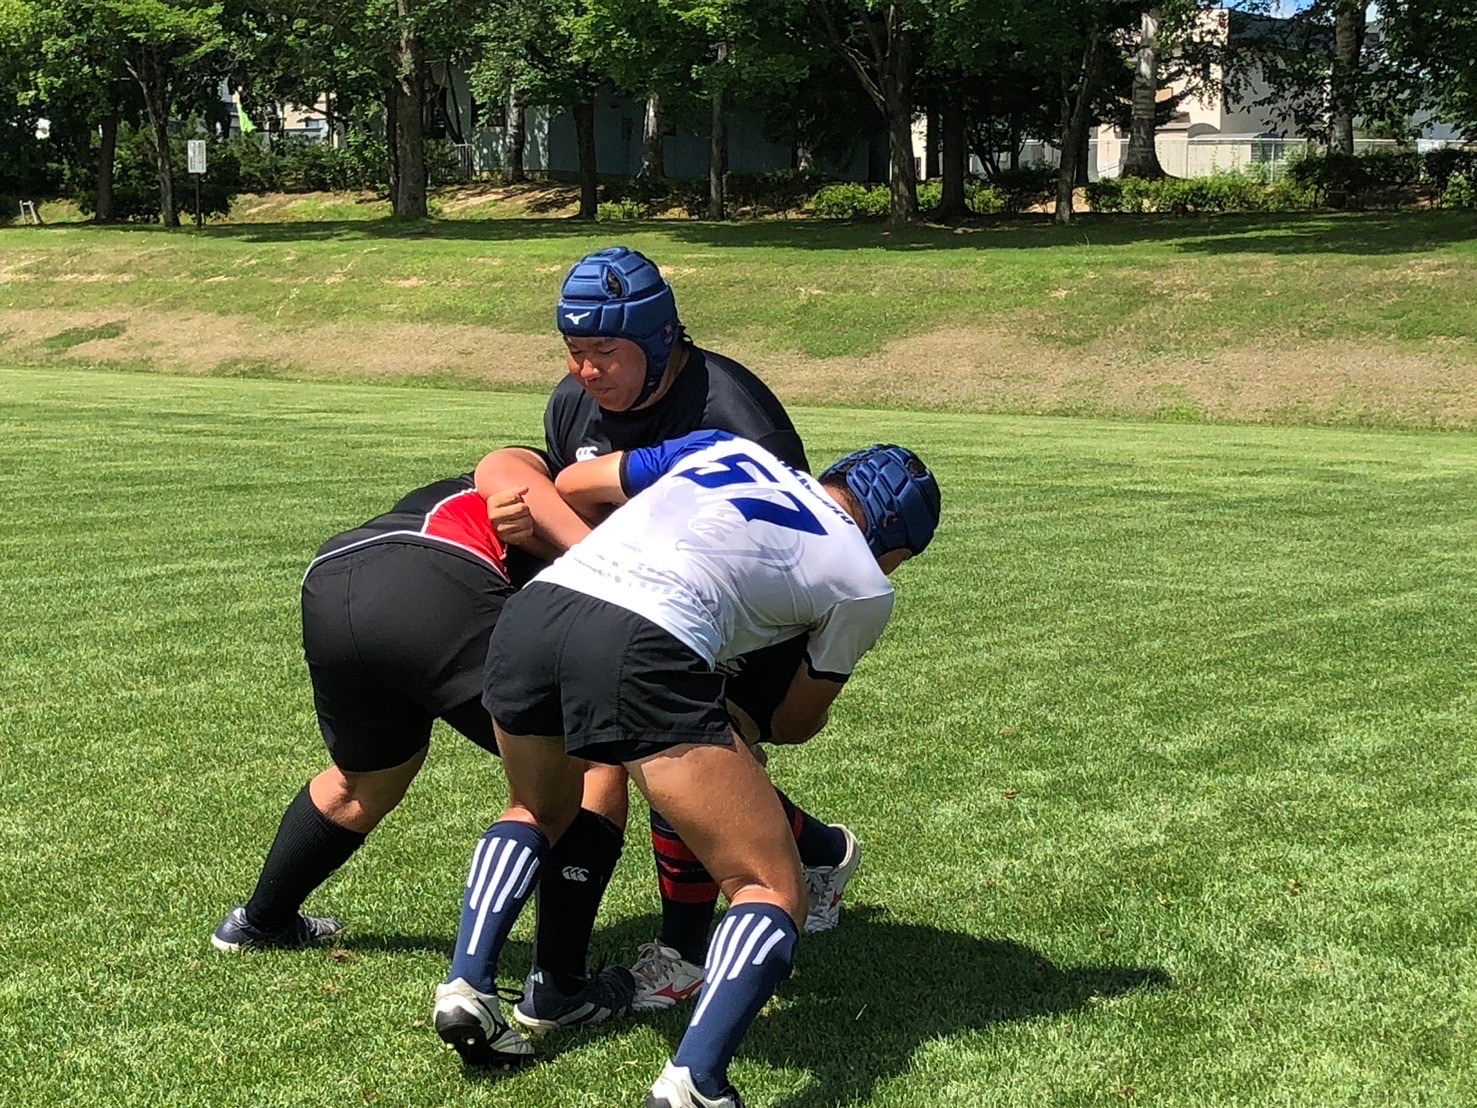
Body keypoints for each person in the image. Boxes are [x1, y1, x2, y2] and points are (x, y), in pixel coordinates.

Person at [432, 431, 940, 1108]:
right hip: (646, 639)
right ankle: (695, 1084)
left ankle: (468, 987)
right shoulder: (866, 586)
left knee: (536, 808)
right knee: (769, 886)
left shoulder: (729, 450)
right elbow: (795, 721)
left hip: (539, 610)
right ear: (895, 542)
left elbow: (577, 483)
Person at [476, 247, 861, 1021]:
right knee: (660, 763)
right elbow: (571, 499)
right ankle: (820, 852)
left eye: (604, 352)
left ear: (659, 343)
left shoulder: (734, 412)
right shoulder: (572, 404)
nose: (587, 371)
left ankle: (684, 953)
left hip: (736, 621)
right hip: (628, 611)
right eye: (573, 351)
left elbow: (783, 547)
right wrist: (525, 518)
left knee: (673, 759)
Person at [207, 454, 633, 1041]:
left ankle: (258, 922)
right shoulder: (554, 482)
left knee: (367, 778)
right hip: (435, 577)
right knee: (592, 762)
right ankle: (560, 987)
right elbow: (512, 472)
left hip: (334, 575)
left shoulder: (521, 486)